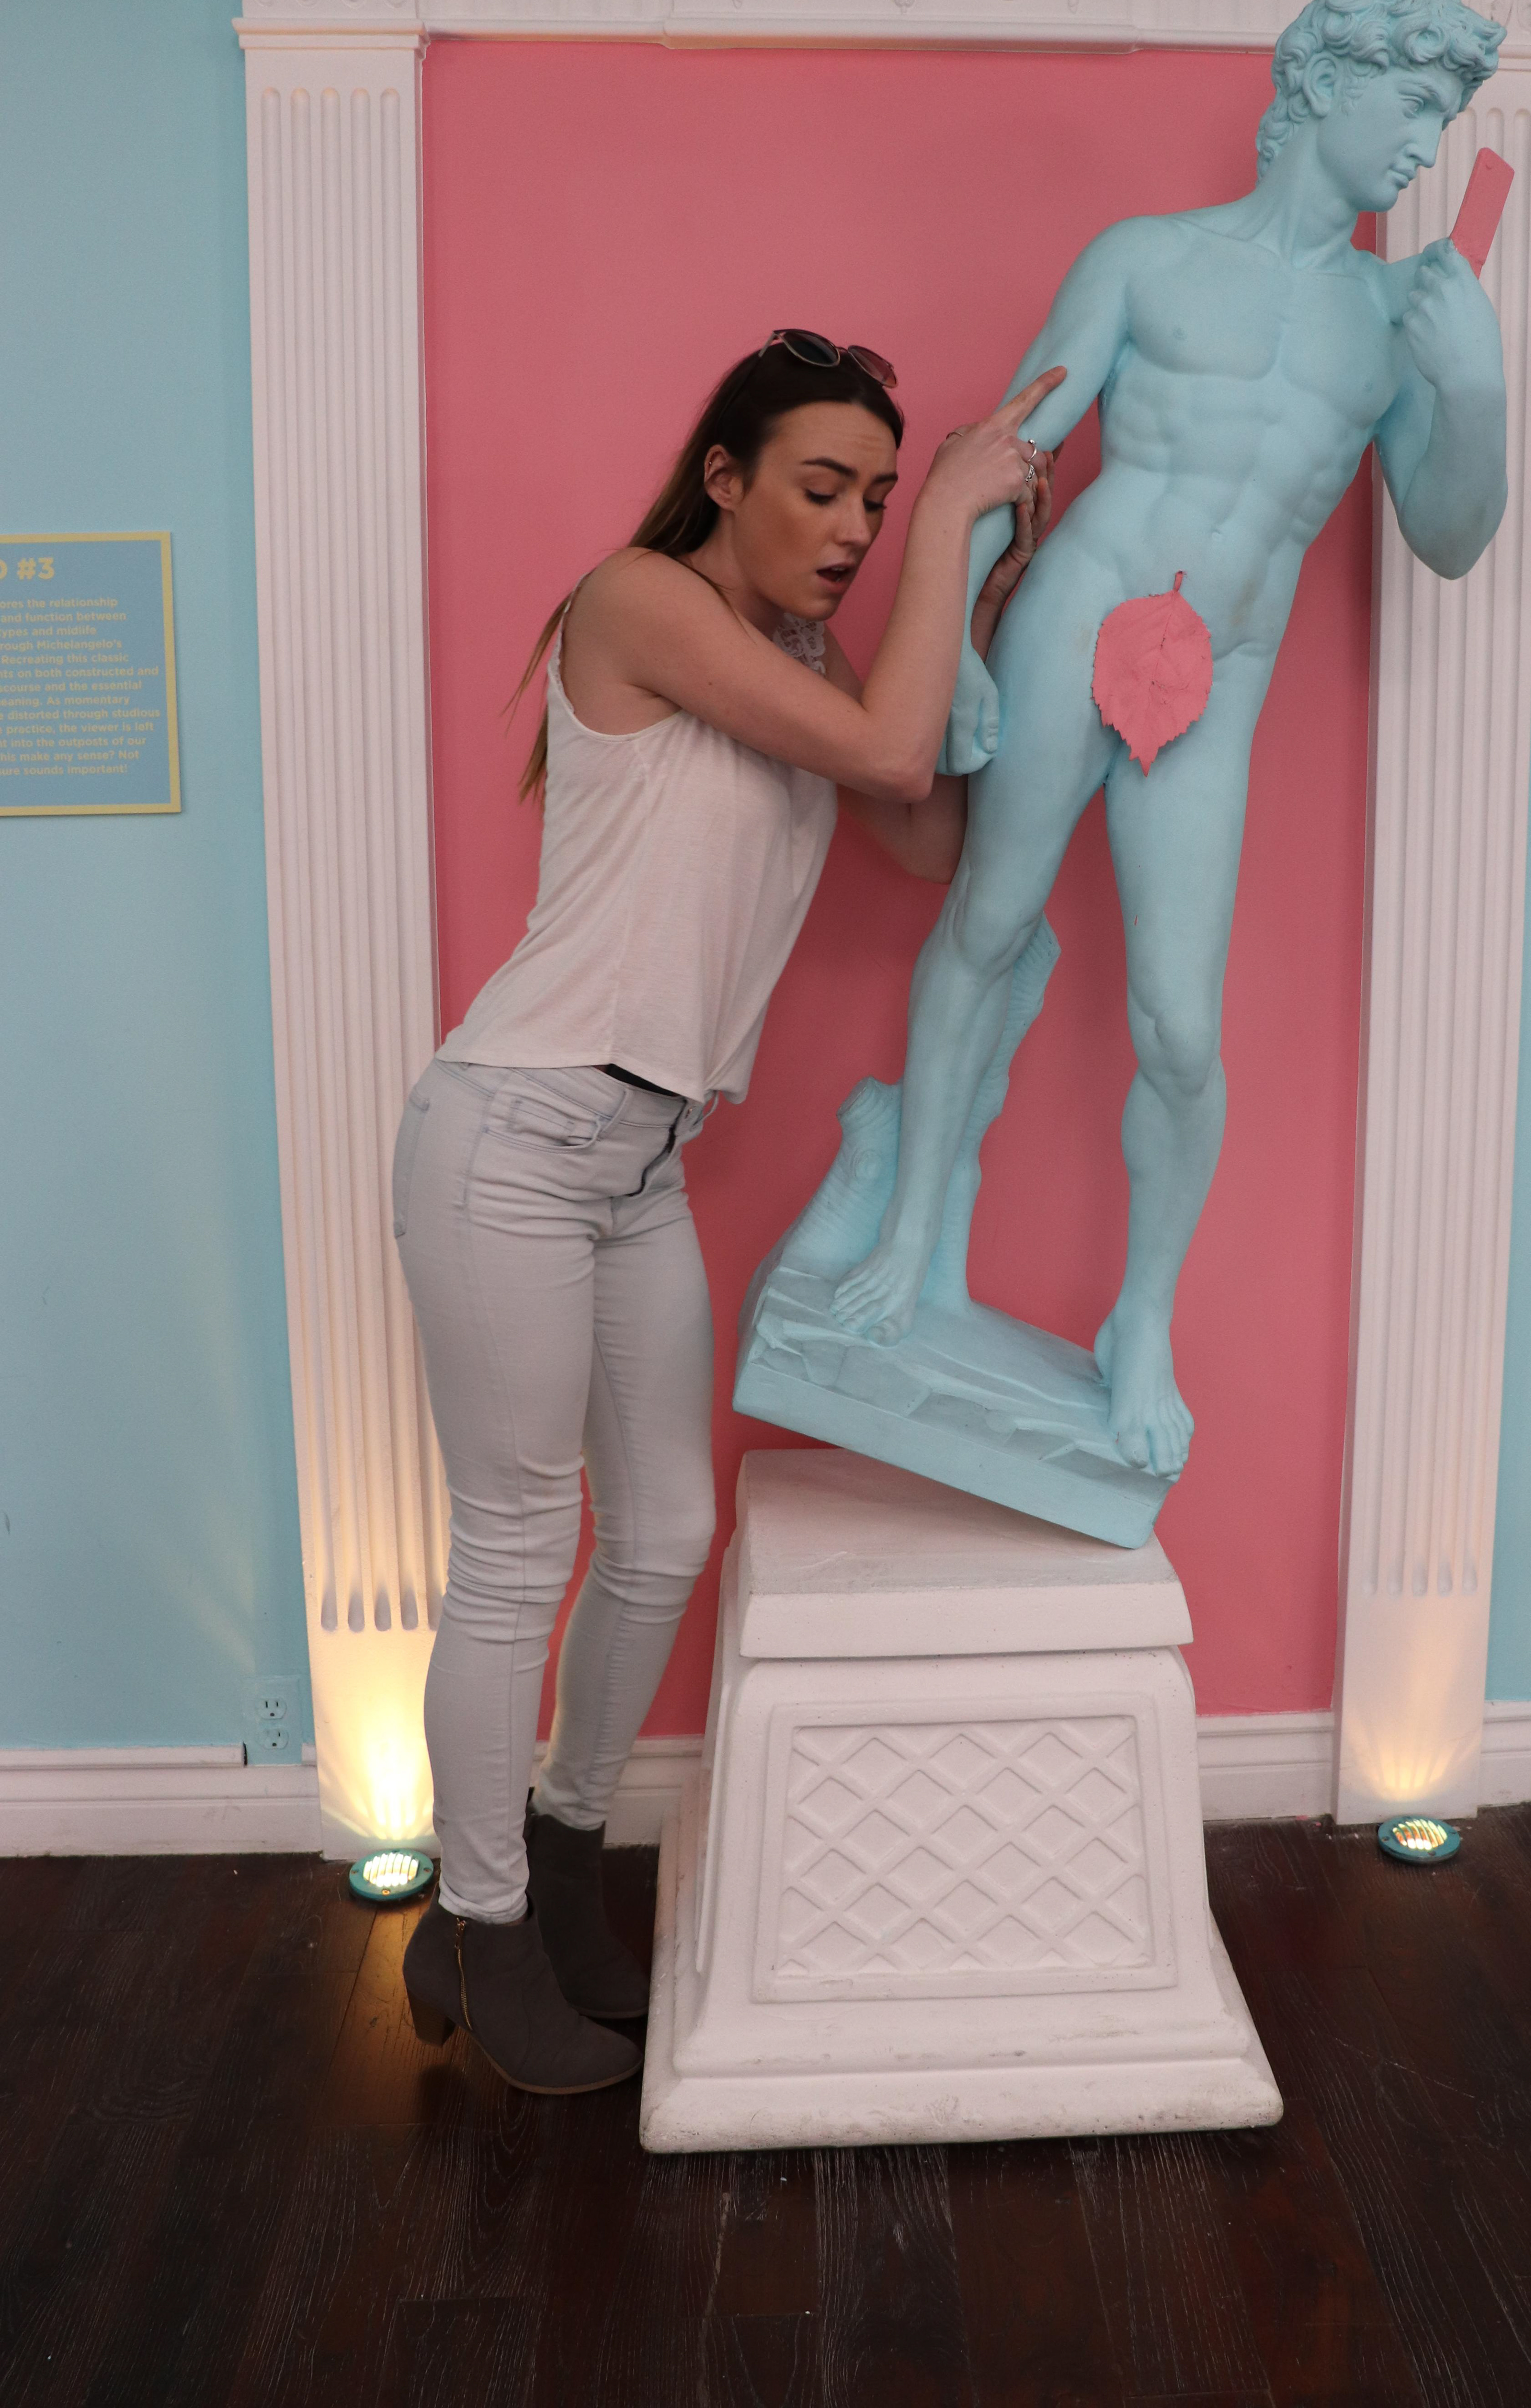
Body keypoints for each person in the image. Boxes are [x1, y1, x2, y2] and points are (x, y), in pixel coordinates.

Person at [392, 330, 1062, 2093]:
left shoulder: (806, 666)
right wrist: (952, 527)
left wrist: (982, 607)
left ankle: (554, 1868)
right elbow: (895, 763)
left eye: (880, 501)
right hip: (516, 1137)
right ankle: (477, 1922)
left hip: (640, 1166)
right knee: (519, 1549)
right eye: (825, 489)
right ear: (725, 477)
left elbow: (924, 833)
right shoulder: (639, 605)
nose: (853, 529)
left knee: (667, 1537)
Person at [826, 0, 1509, 1482]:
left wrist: (1477, 394)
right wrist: (965, 648)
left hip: (1223, 669)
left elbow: (1453, 539)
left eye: (1446, 120)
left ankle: (1143, 1318)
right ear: (1325, 85)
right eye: (1414, 106)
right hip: (1087, 607)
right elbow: (1009, 451)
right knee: (988, 920)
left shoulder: (1403, 318)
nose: (1427, 146)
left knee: (1181, 1028)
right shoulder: (1143, 258)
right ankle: (913, 1232)